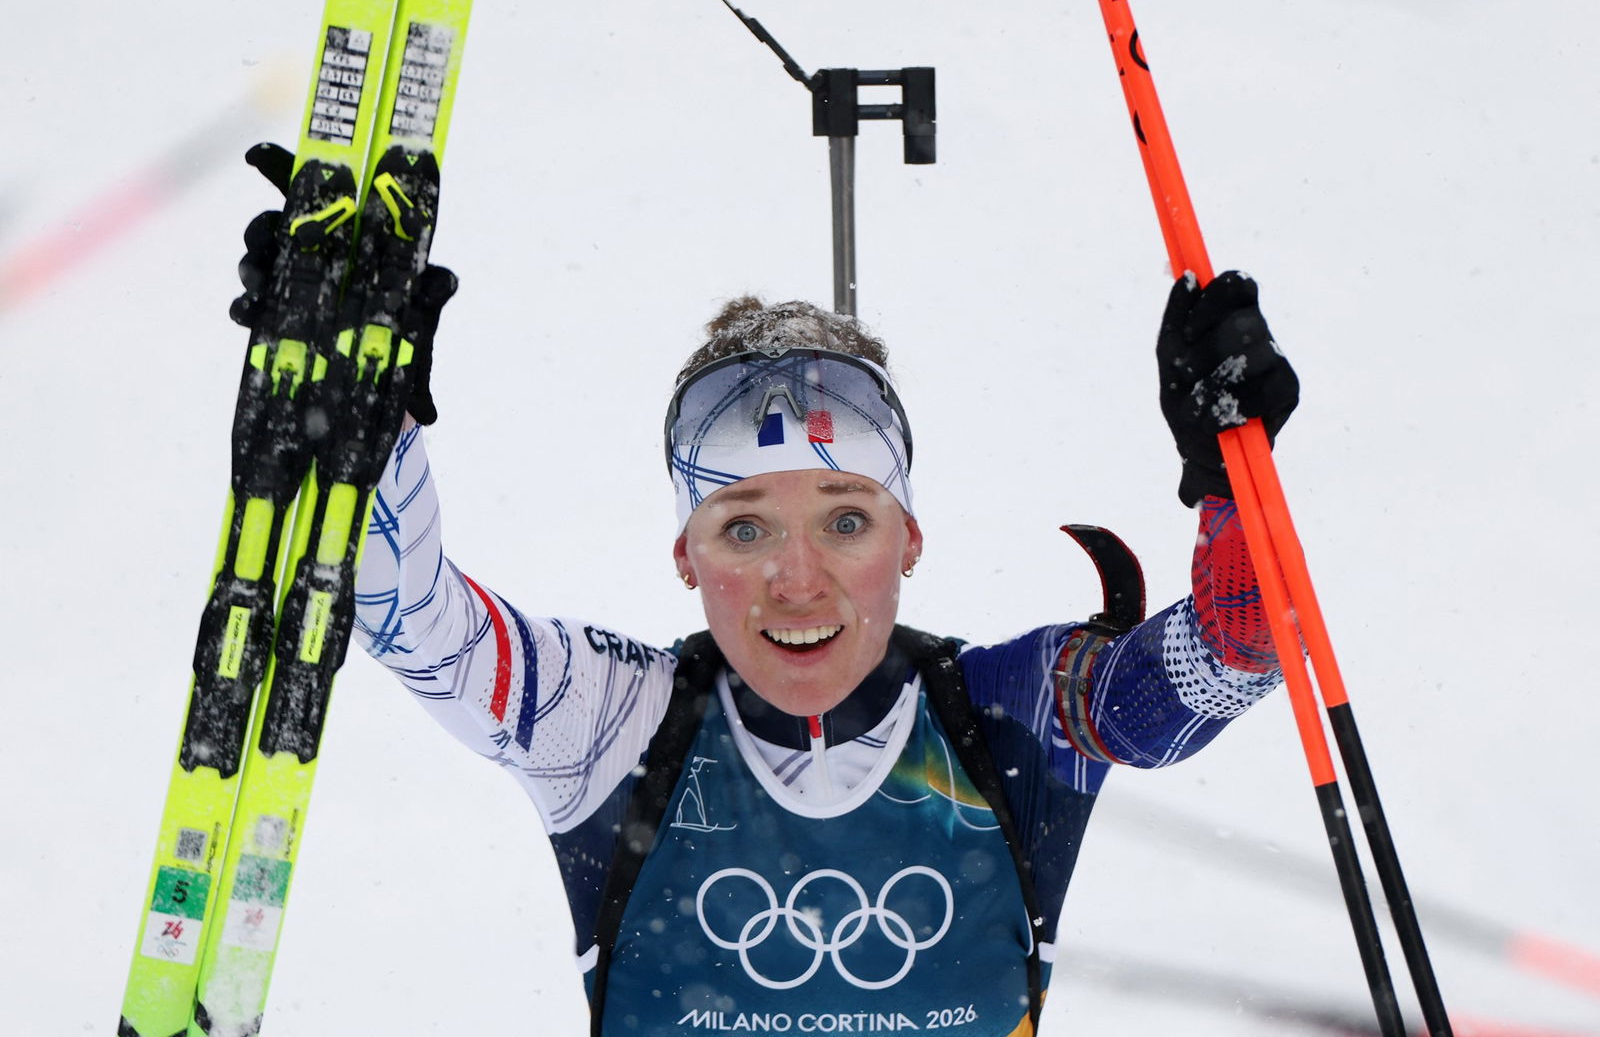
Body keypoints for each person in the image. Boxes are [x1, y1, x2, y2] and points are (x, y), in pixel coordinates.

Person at [233, 150, 1299, 1035]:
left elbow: (1237, 651)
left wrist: (1231, 478)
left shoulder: (1007, 715)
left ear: (910, 537)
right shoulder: (614, 723)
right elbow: (414, 622)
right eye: (743, 528)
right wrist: (367, 417)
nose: (797, 580)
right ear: (685, 554)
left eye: (847, 520)